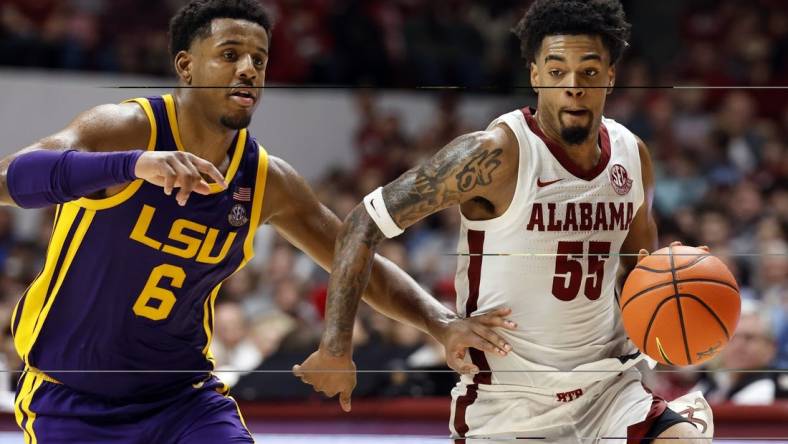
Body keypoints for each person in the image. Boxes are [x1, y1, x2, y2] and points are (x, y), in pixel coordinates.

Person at [1, 0, 517, 442]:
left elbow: (354, 258)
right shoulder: (127, 128)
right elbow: (8, 179)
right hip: (71, 397)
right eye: (229, 56)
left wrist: (441, 323)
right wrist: (133, 164)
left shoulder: (268, 179)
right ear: (186, 66)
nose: (248, 69)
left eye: (259, 59)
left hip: (182, 398)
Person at [295, 0, 715, 442]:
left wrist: (682, 287)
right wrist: (339, 345)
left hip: (611, 392)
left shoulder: (632, 155)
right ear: (535, 75)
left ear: (611, 75)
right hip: (508, 403)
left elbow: (639, 272)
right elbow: (363, 223)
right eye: (556, 72)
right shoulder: (493, 155)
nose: (573, 86)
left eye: (589, 72)